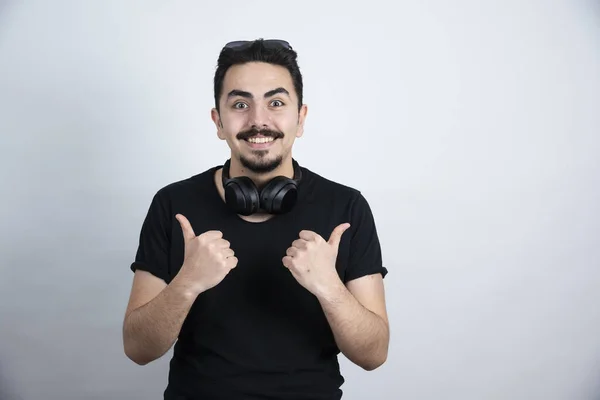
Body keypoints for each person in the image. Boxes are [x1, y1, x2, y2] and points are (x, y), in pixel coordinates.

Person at [122, 38, 389, 400]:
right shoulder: (174, 204)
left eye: (276, 103)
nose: (258, 121)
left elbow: (373, 355)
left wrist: (329, 286)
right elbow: (138, 349)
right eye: (240, 104)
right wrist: (186, 283)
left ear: (301, 118)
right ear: (218, 121)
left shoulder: (346, 207)